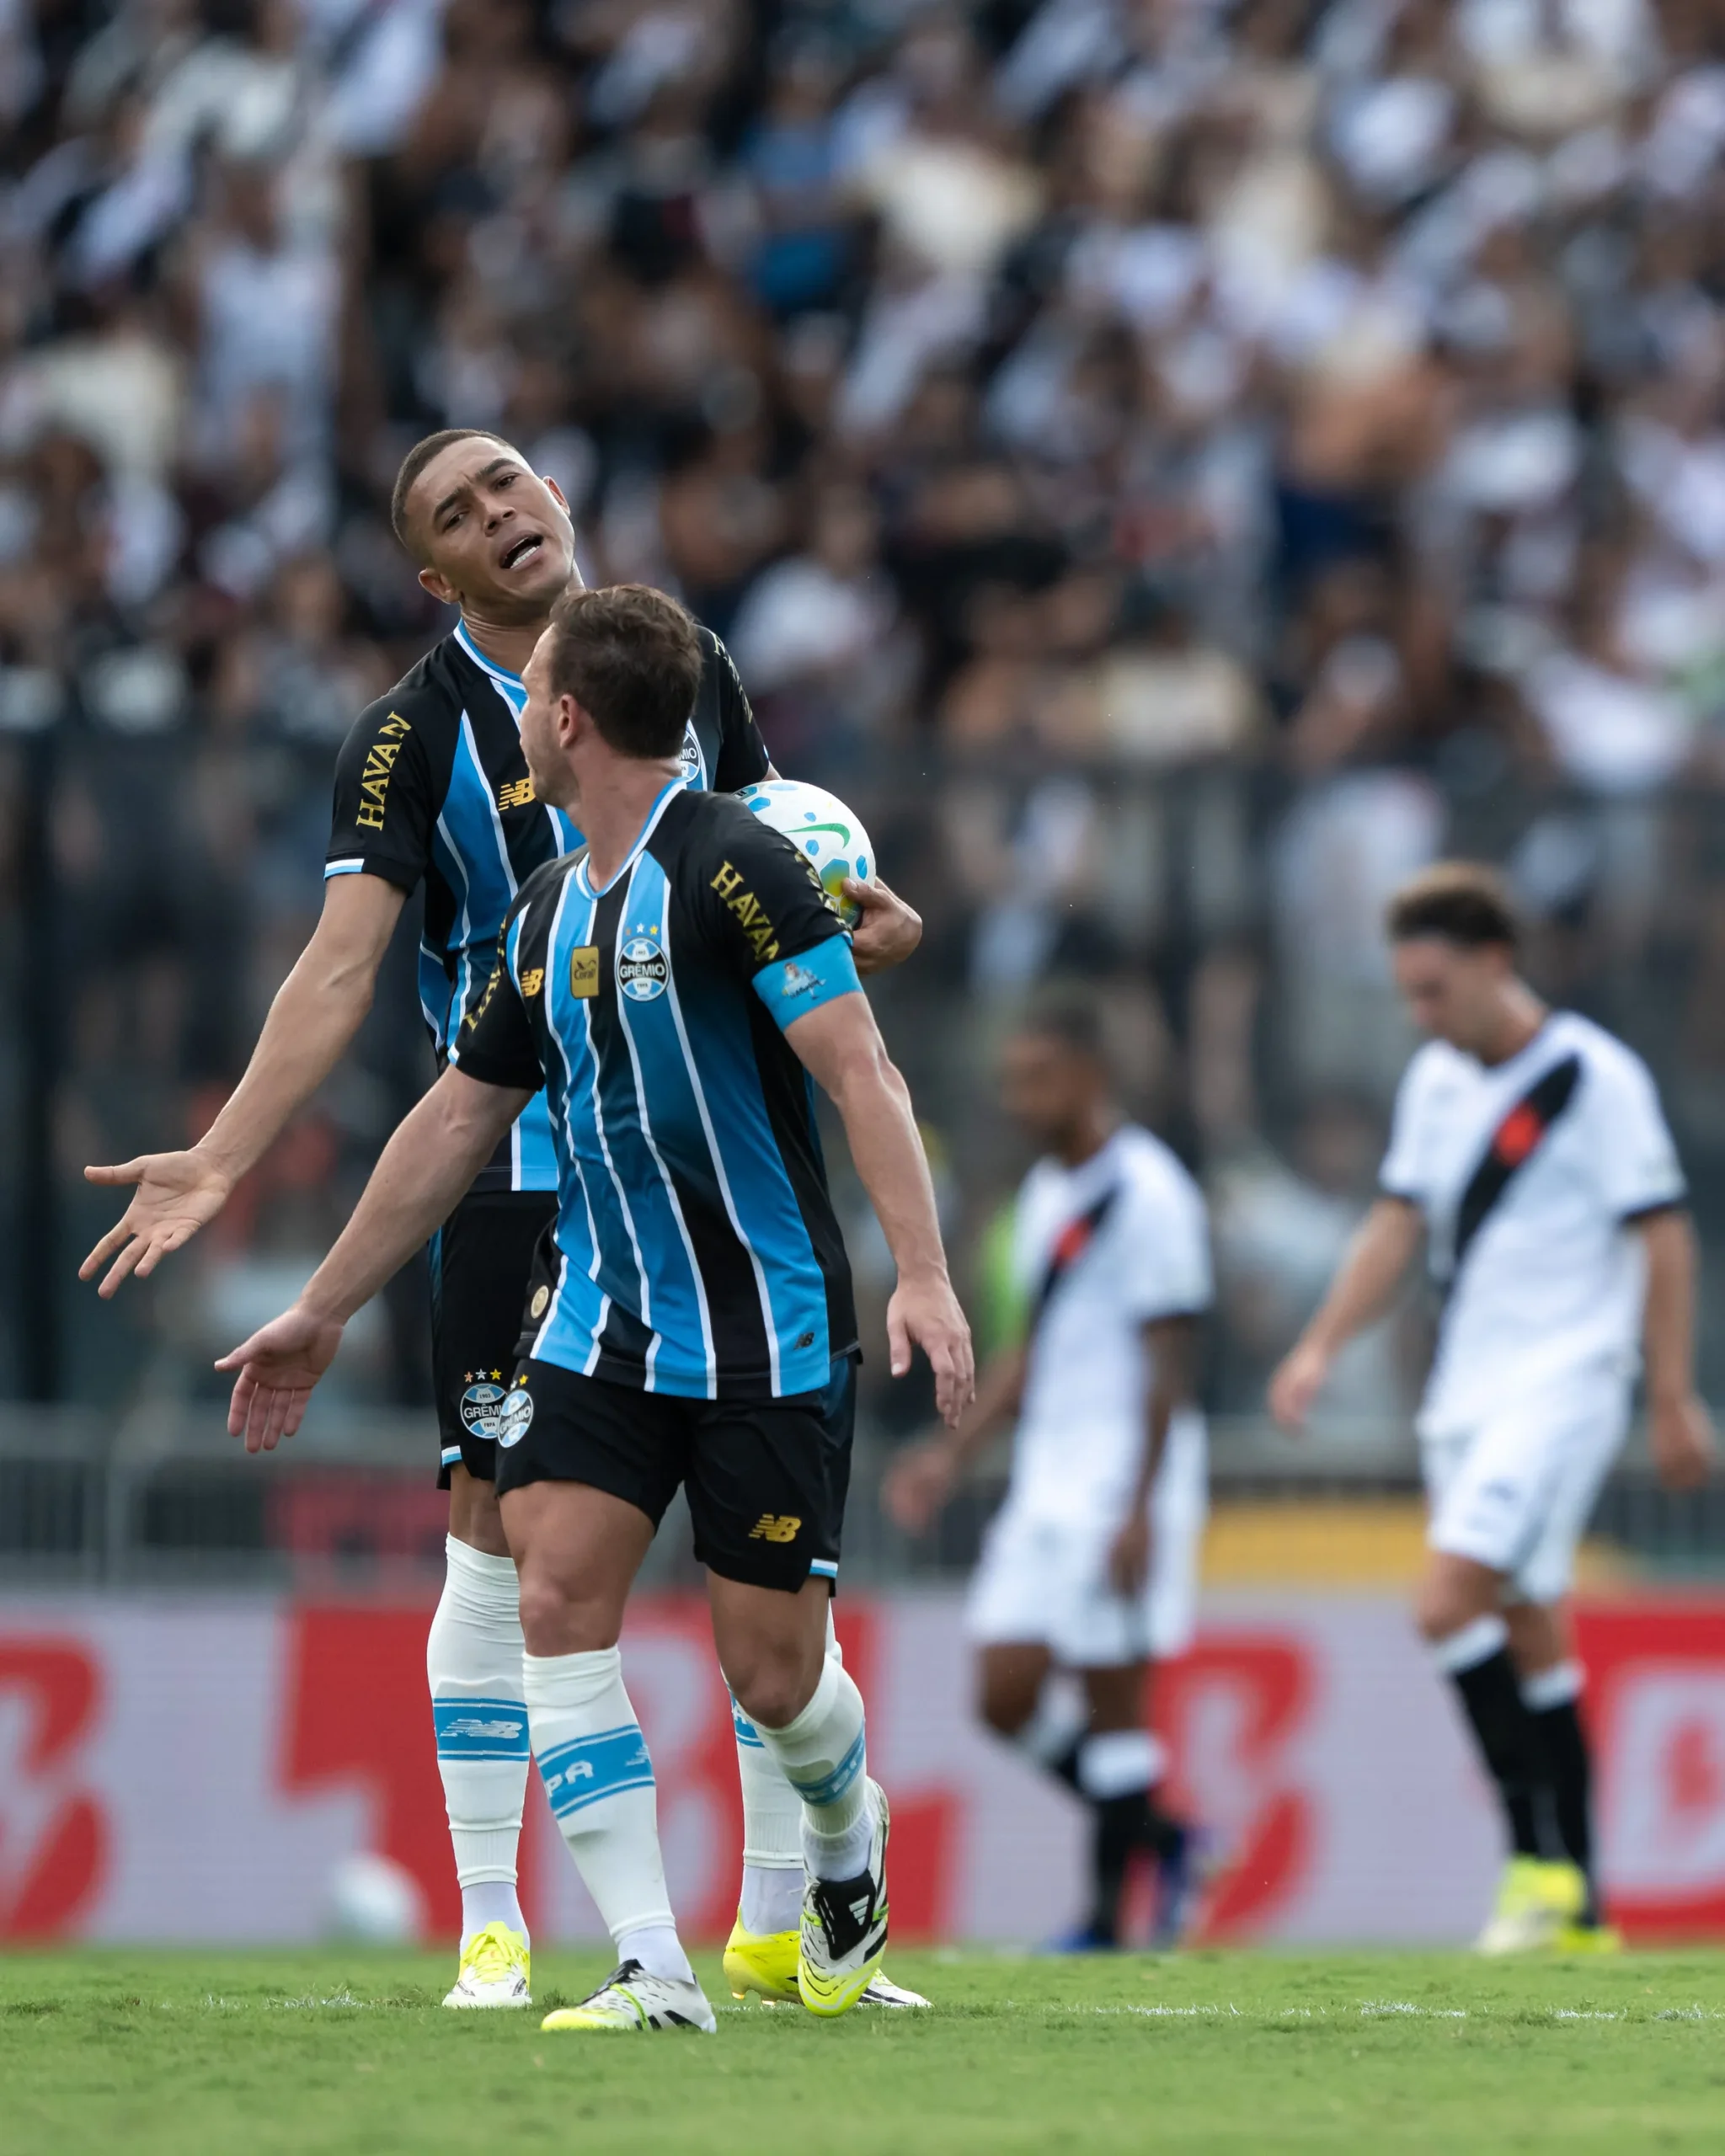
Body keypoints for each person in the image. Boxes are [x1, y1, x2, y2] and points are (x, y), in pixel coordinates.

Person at [77, 428, 926, 2011]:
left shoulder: (681, 663)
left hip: (717, 1179)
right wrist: (224, 1153)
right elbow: (340, 973)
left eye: (508, 484)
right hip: (515, 1177)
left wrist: (868, 924)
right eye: (458, 514)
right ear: (436, 574)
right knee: (511, 1550)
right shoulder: (406, 744)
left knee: (767, 1615)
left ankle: (777, 1906)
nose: (498, 516)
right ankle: (498, 1919)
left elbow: (771, 864)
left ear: (557, 501)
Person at [1269, 862, 1713, 1954]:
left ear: (1496, 964)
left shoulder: (1593, 1080)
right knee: (1532, 1624)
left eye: (1435, 990)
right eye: (1410, 993)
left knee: (1446, 1600)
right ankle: (1588, 1904)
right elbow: (1395, 1224)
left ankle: (1532, 1866)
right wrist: (1322, 1344)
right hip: (1467, 1392)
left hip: (1564, 1383)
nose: (1423, 1014)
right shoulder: (1435, 1082)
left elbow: (1662, 1234)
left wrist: (1669, 1394)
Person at [885, 990, 1209, 1949]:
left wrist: (1142, 1507)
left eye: (1039, 1078)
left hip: (1121, 1473)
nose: (1021, 1098)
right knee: (1003, 1689)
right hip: (1048, 1470)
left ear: (1090, 1075)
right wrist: (950, 1457)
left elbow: (1168, 1363)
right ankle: (1172, 1840)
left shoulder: (1148, 1192)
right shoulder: (1042, 1199)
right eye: (1011, 1081)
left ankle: (1109, 1922)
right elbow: (1031, 1352)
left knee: (1115, 1696)